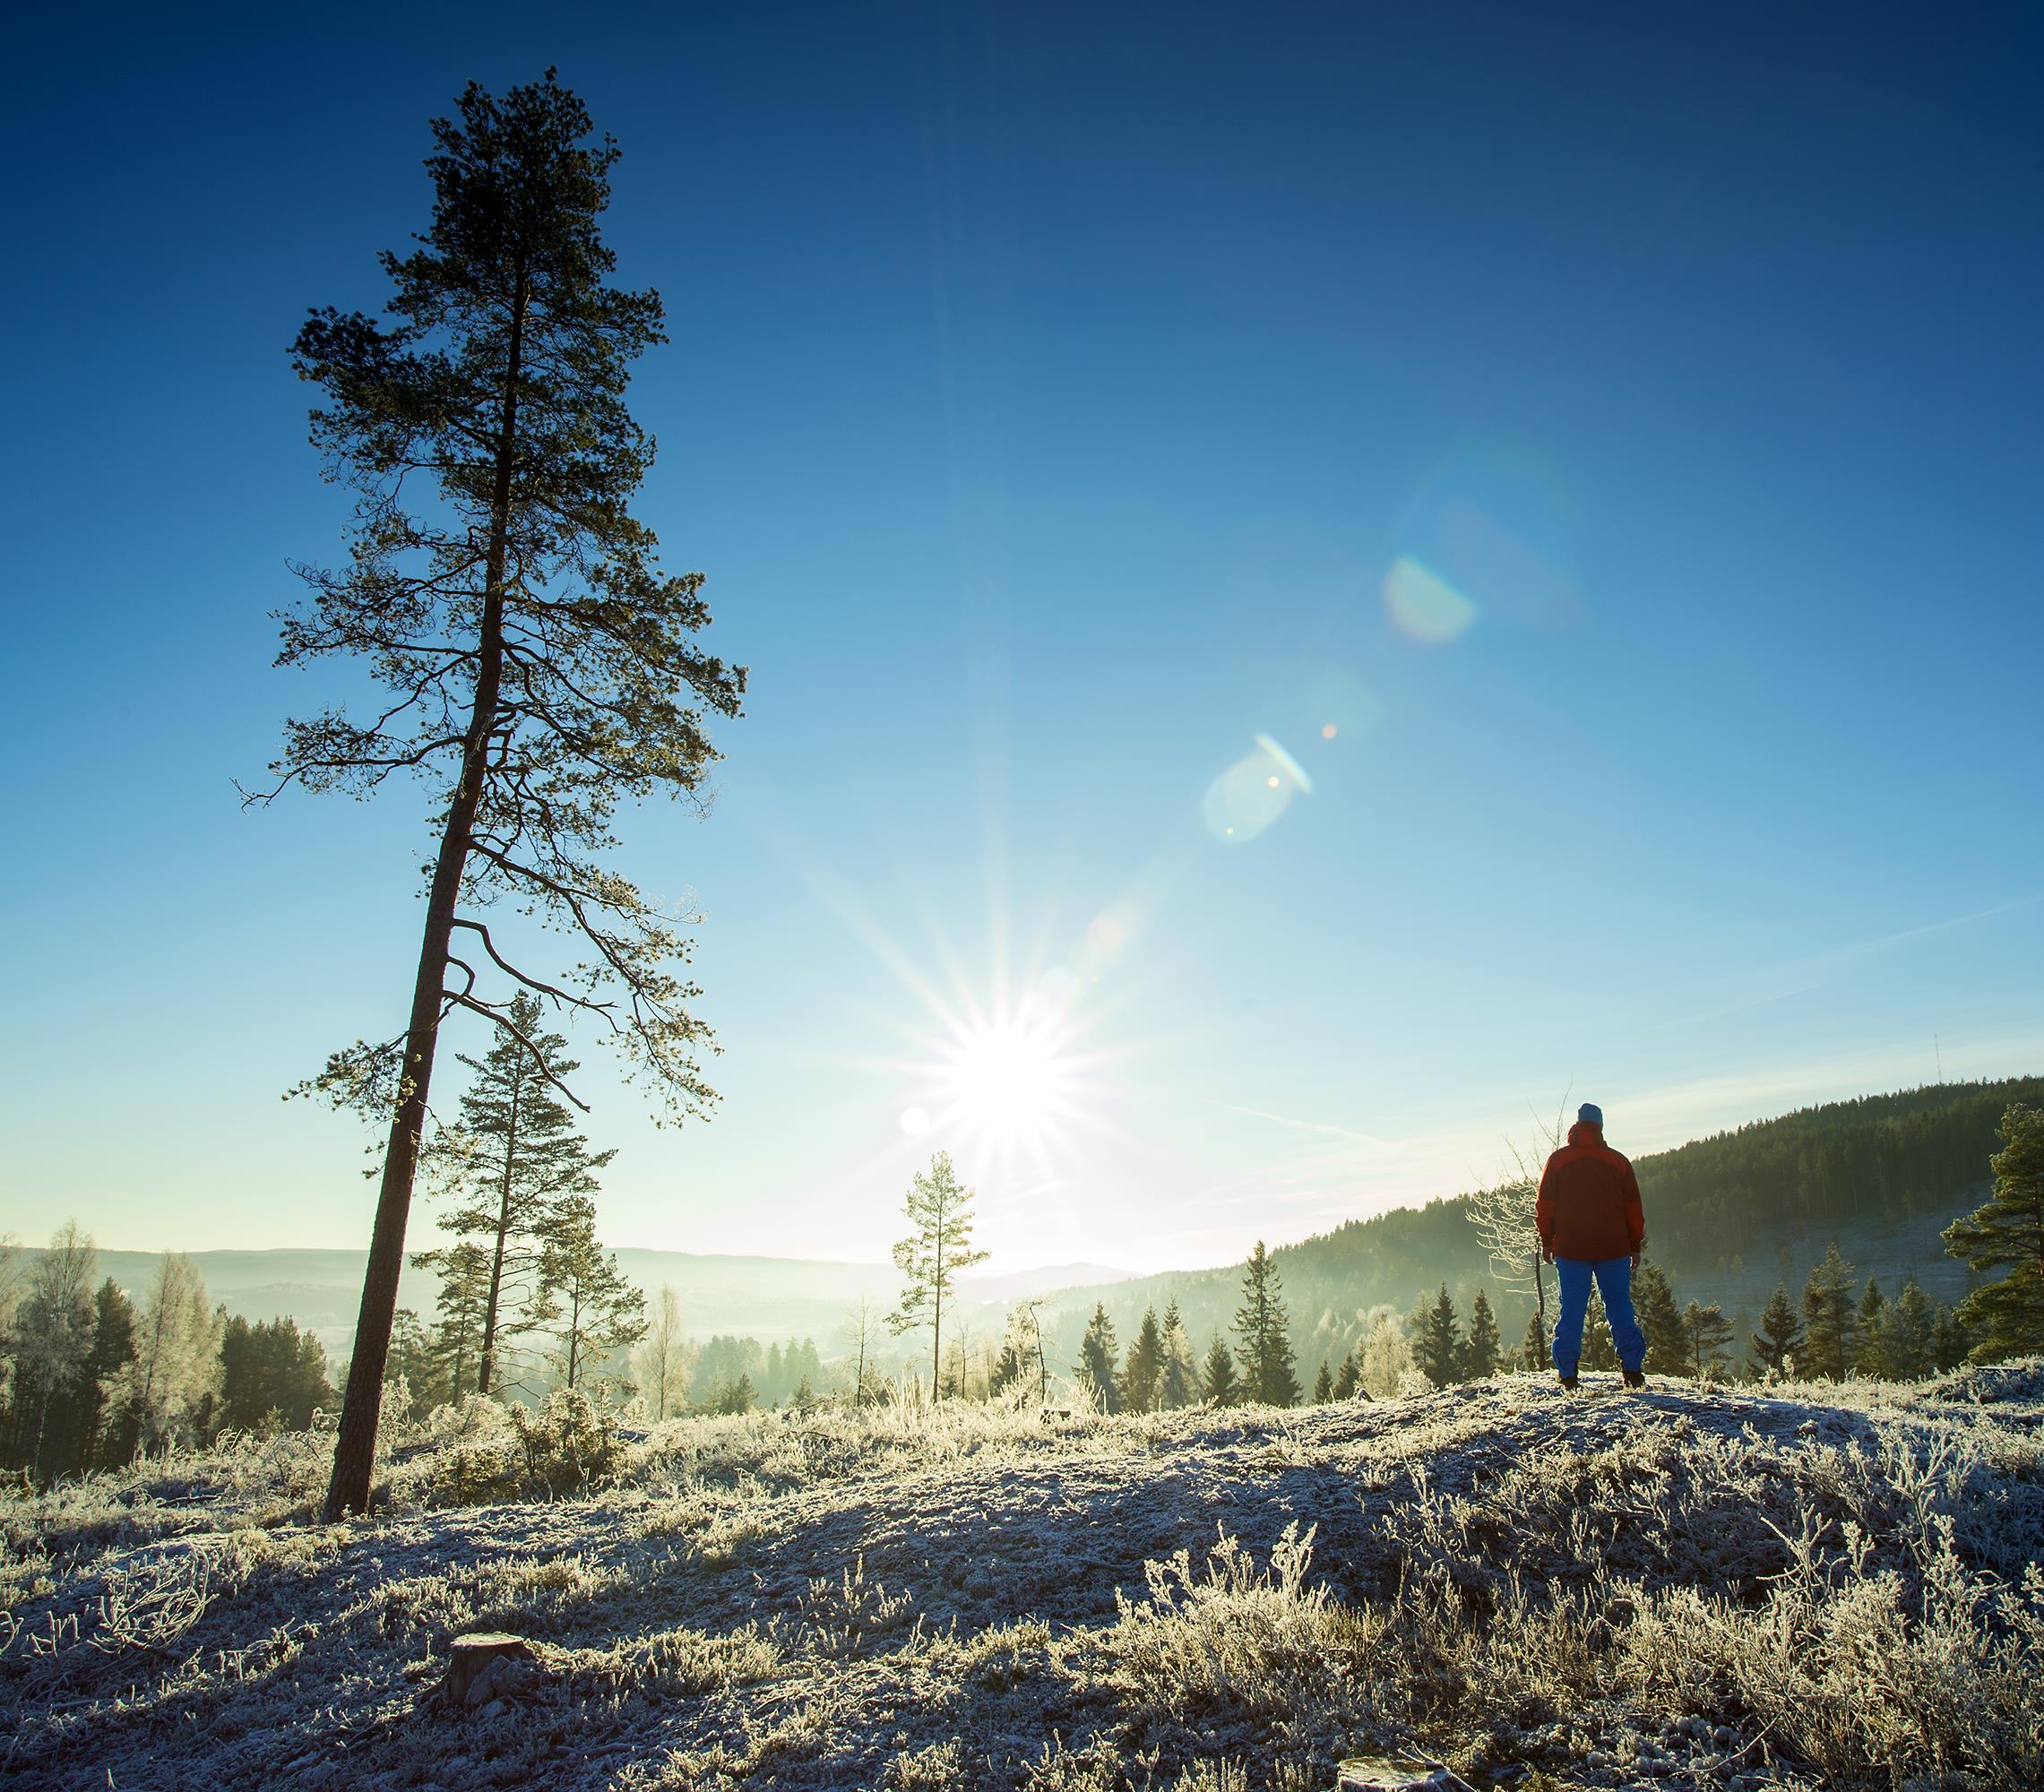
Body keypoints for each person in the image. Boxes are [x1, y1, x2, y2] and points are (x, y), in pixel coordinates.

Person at [1536, 1101, 1647, 1390]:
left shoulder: (1558, 1161)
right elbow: (1633, 1209)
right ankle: (1632, 1371)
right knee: (1620, 1306)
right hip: (1614, 1248)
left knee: (1572, 1308)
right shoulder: (1618, 1161)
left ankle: (1568, 1375)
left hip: (1572, 1248)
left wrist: (1547, 1241)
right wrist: (1635, 1245)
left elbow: (1545, 1206)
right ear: (1600, 1126)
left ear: (1577, 1126)